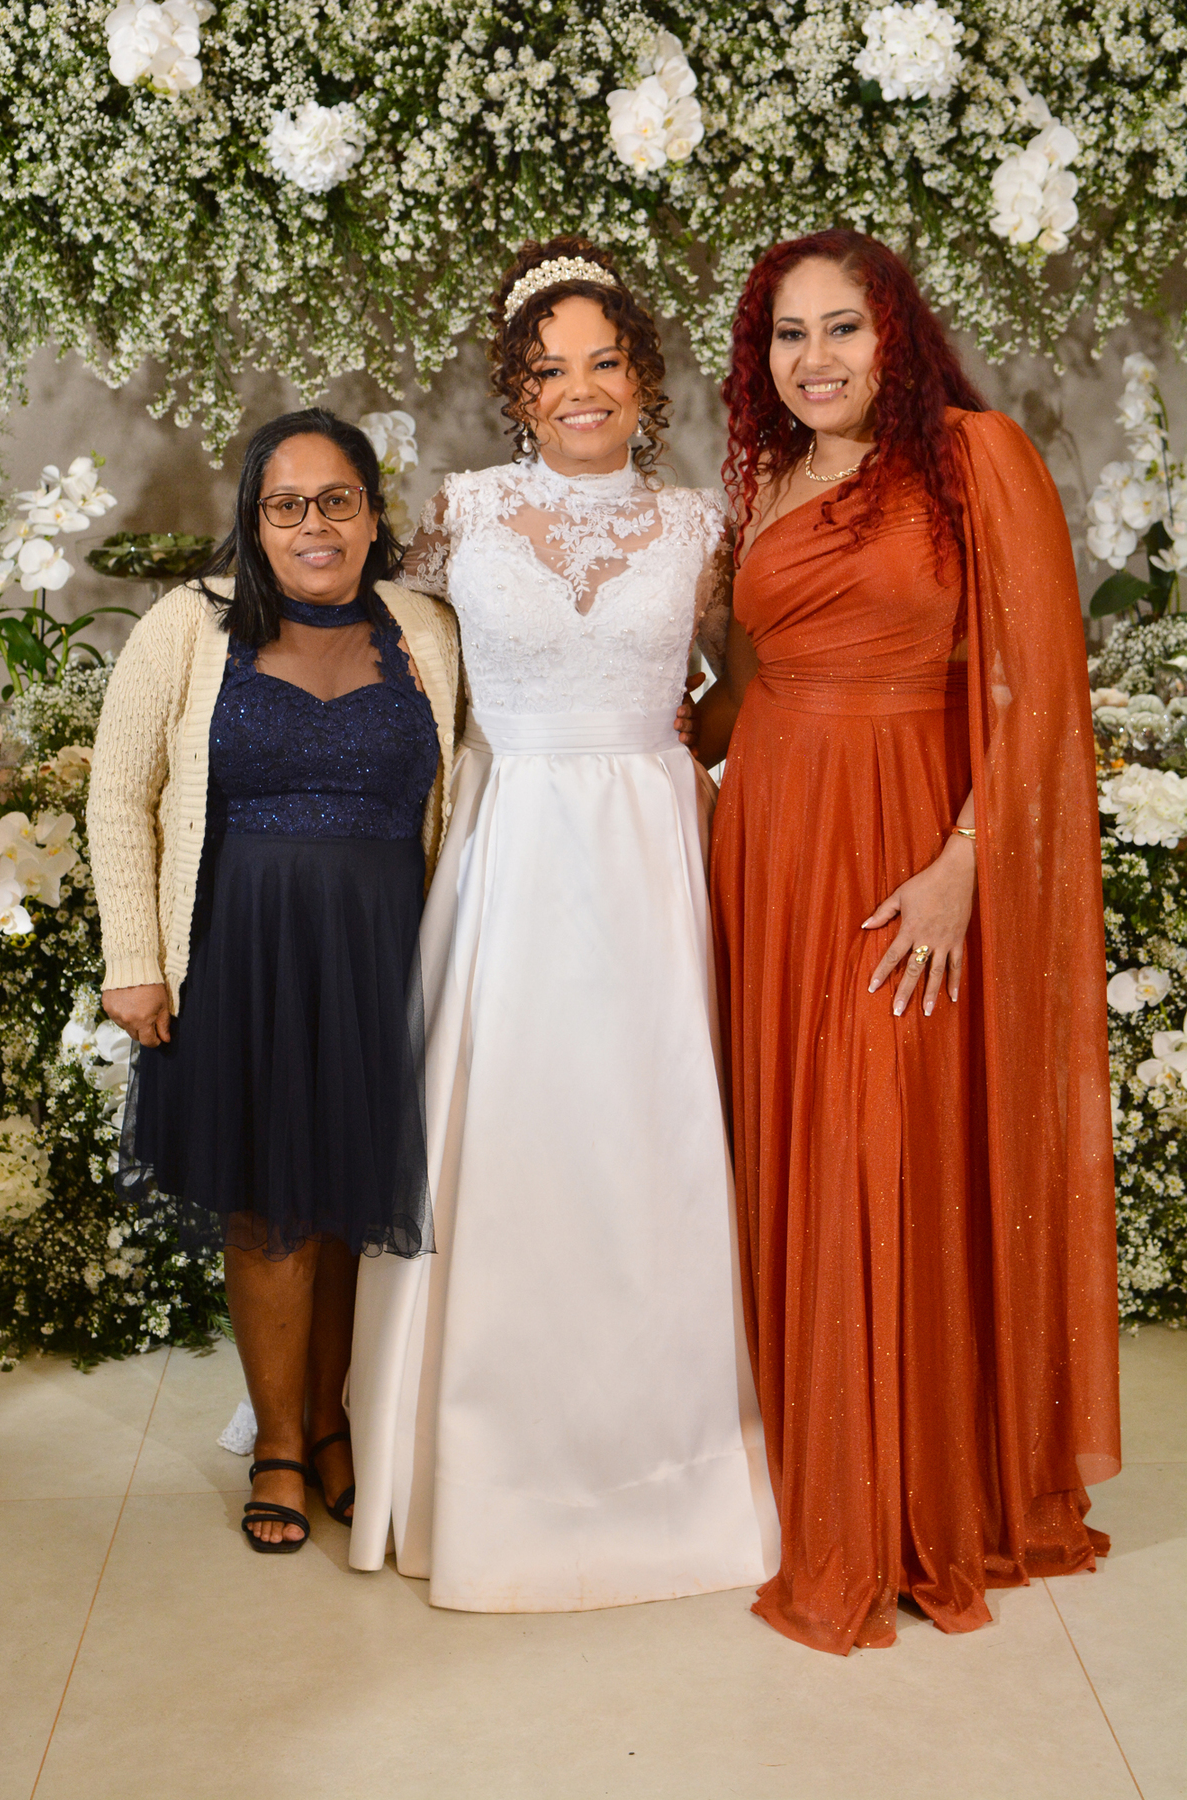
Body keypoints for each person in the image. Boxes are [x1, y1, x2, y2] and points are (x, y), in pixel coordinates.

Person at [689, 230, 1121, 1654]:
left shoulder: (977, 459)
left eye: (843, 328)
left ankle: (907, 1503)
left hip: (911, 842)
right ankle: (830, 1478)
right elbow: (742, 686)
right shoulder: (767, 482)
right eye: (787, 334)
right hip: (776, 842)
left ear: (900, 339)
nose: (814, 359)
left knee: (886, 1146)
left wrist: (965, 863)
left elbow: (1036, 688)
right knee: (801, 1143)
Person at [347, 236, 778, 1609]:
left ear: (644, 379)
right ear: (516, 391)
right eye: (549, 370)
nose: (580, 389)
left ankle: (671, 1452)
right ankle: (485, 1452)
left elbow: (736, 689)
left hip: (652, 846)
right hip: (513, 843)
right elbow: (404, 667)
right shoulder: (458, 513)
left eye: (604, 363)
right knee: (515, 1128)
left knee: (651, 1130)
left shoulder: (703, 526)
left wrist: (681, 759)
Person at [87, 408, 460, 1553]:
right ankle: (281, 1445)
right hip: (240, 952)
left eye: (336, 500)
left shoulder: (427, 629)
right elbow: (120, 793)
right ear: (254, 523)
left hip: (384, 952)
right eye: (286, 505)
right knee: (268, 1205)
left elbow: (483, 768)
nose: (314, 525)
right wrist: (135, 962)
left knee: (353, 1200)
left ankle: (338, 1425)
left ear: (373, 515)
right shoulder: (188, 626)